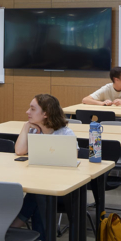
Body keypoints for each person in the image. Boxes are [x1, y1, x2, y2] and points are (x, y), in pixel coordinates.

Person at [13, 93, 75, 230]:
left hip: (61, 188)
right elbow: (19, 151)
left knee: (39, 195)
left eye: (32, 109)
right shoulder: (35, 131)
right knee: (38, 195)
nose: (27, 112)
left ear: (45, 114)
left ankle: (16, 225)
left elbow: (73, 157)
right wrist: (25, 127)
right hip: (38, 183)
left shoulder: (65, 133)